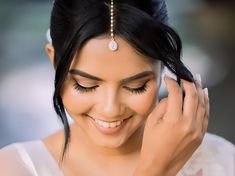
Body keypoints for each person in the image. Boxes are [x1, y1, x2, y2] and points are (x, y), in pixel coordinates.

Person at [0, 0, 234, 175]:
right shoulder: (17, 167)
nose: (111, 109)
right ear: (53, 60)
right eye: (86, 85)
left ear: (163, 68)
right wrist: (155, 169)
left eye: (136, 86)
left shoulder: (220, 161)